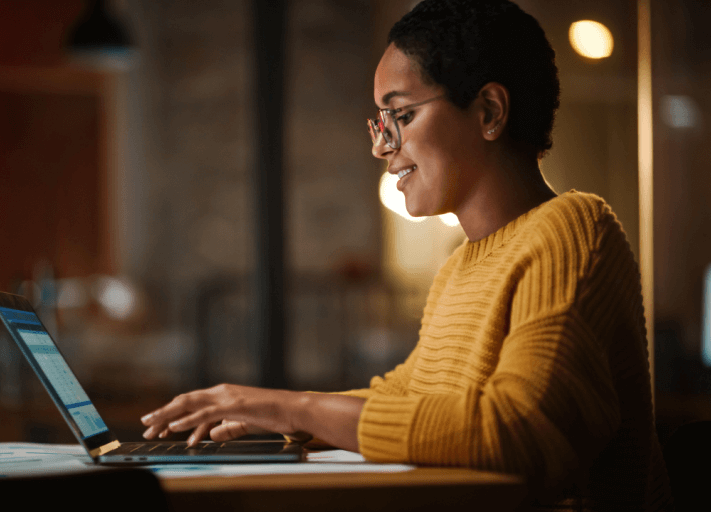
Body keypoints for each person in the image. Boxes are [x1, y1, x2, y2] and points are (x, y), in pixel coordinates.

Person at [141, 0, 672, 509]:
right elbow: (407, 399)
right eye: (380, 121)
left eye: (400, 114)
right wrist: (277, 415)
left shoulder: (573, 229)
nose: (381, 146)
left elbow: (519, 430)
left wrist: (292, 407)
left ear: (489, 110)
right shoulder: (462, 265)